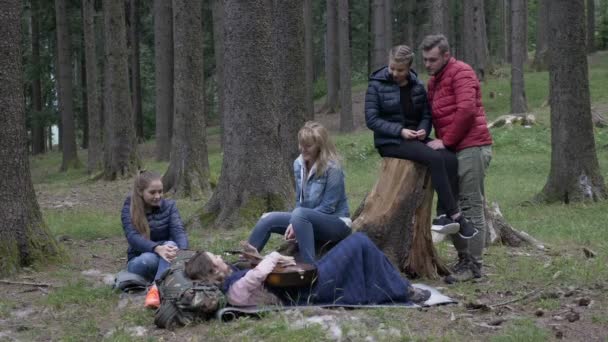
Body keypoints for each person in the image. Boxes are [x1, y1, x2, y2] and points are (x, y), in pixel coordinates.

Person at [364, 44, 477, 239]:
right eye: (392, 68)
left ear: (409, 68)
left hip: (414, 138)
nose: (394, 73)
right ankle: (457, 216)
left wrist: (423, 129)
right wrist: (400, 131)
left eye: (400, 70)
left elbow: (426, 113)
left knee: (449, 158)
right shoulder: (376, 84)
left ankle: (442, 214)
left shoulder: (416, 85)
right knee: (433, 158)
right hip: (390, 141)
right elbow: (372, 119)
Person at [186, 232, 430, 307]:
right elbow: (258, 277)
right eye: (214, 258)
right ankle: (402, 291)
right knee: (359, 243)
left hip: (304, 283)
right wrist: (271, 256)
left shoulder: (234, 279)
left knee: (360, 245)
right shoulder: (234, 290)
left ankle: (399, 287)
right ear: (211, 272)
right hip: (311, 290)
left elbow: (256, 276)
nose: (219, 256)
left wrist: (253, 257)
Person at [421, 34, 493, 282]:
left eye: (432, 60)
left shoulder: (462, 72)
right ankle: (463, 259)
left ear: (446, 55)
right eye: (425, 60)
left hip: (472, 146)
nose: (427, 65)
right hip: (452, 152)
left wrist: (446, 141)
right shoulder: (434, 82)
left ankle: (474, 267)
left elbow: (466, 110)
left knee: (471, 206)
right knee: (453, 207)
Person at [247, 121, 352, 264]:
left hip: (336, 223)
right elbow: (300, 201)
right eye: (301, 145)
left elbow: (328, 208)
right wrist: (295, 221)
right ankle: (245, 263)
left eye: (308, 146)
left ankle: (310, 269)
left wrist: (297, 220)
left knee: (299, 214)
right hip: (304, 219)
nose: (303, 149)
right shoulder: (298, 164)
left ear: (320, 146)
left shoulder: (333, 168)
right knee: (267, 218)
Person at [121, 170, 189, 308]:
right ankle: (164, 285)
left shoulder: (170, 206)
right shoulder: (129, 207)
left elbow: (179, 232)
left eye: (160, 191)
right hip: (141, 261)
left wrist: (181, 253)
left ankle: (155, 290)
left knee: (171, 245)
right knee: (149, 258)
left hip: (167, 256)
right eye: (152, 192)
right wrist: (157, 249)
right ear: (141, 191)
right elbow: (133, 238)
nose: (157, 196)